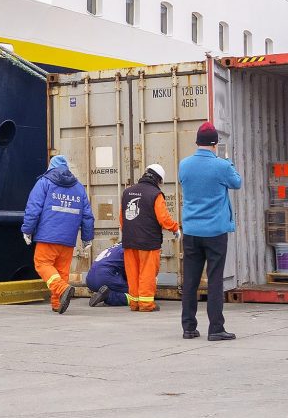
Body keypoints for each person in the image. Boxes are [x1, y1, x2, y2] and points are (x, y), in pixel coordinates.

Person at [178, 122, 242, 341]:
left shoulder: (184, 165)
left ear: (197, 142)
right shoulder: (221, 166)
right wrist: (226, 161)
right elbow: (237, 183)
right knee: (215, 280)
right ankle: (215, 328)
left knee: (191, 280)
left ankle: (188, 327)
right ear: (215, 144)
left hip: (191, 231)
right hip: (215, 232)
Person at [21, 154, 94, 314]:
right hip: (68, 240)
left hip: (48, 236)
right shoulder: (79, 187)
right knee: (61, 271)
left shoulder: (44, 182)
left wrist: (27, 230)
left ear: (51, 167)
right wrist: (87, 238)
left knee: (42, 264)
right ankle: (57, 303)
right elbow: (87, 215)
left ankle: (62, 289)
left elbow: (34, 208)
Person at [120, 164, 180, 312]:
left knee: (132, 273)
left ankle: (134, 303)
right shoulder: (155, 194)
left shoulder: (127, 192)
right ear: (158, 179)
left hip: (129, 241)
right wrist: (175, 228)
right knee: (147, 273)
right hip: (148, 241)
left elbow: (122, 219)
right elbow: (163, 218)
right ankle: (146, 304)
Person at [86, 243, 129, 308]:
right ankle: (108, 297)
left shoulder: (114, 247)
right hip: (105, 277)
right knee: (136, 293)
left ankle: (103, 293)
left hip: (89, 279)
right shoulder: (129, 249)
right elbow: (130, 272)